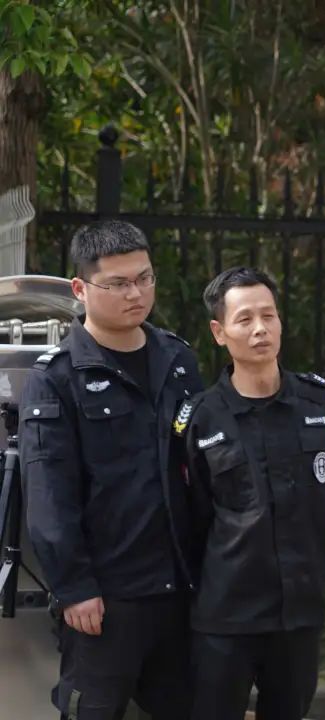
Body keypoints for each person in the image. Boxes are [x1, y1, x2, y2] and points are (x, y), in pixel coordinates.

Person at [19, 220, 204, 720]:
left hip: (179, 591)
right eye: (118, 283)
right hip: (104, 599)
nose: (136, 294)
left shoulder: (178, 360)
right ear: (80, 289)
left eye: (144, 278)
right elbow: (49, 496)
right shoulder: (57, 378)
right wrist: (75, 587)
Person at [176, 267, 325, 720]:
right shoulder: (200, 419)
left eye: (269, 316)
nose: (260, 329)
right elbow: (189, 519)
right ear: (219, 332)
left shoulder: (319, 403)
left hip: (299, 614)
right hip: (226, 616)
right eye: (244, 319)